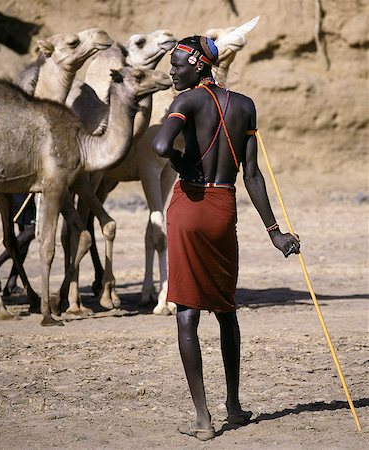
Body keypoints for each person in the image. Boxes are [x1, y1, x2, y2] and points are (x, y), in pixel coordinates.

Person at [153, 35, 300, 441]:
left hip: (189, 204)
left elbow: (161, 144)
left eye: (178, 64)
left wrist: (182, 159)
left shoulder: (186, 102)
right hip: (223, 207)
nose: (172, 71)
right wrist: (276, 233)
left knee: (187, 312)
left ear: (200, 65)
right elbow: (252, 174)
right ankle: (234, 406)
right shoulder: (245, 105)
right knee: (225, 308)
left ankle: (203, 420)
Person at [0, 193, 36, 297]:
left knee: (24, 240)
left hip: (23, 193)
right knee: (30, 232)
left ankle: (11, 284)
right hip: (21, 192)